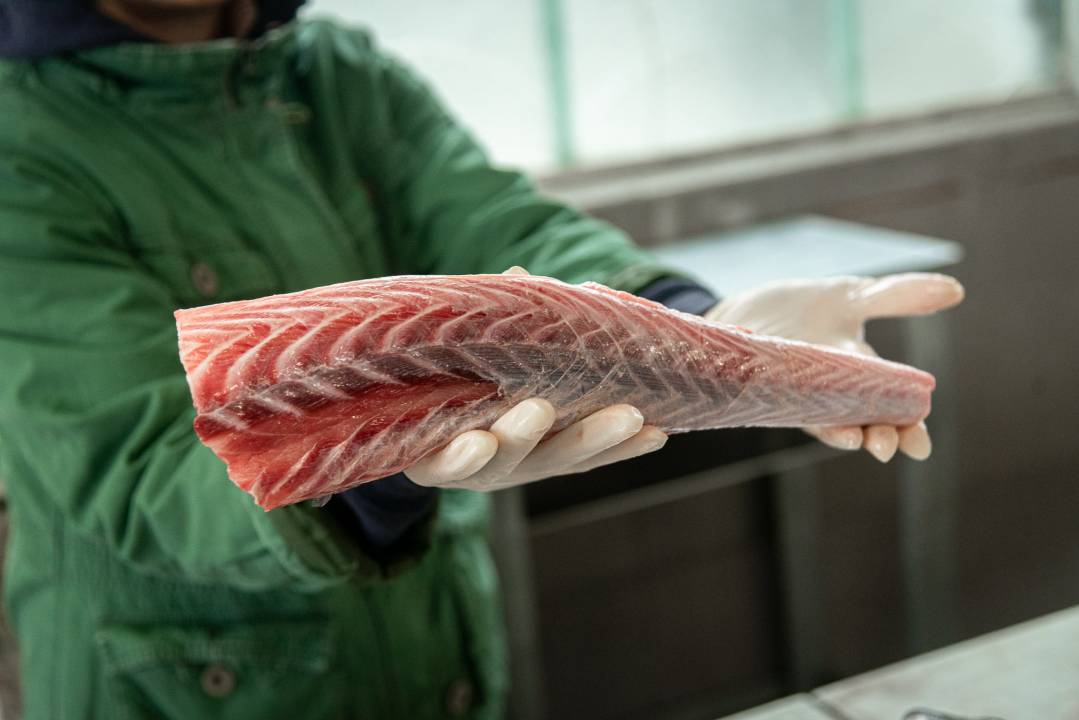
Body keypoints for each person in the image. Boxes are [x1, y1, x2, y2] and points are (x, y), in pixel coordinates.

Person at [0, 1, 963, 718]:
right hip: (174, 685)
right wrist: (366, 474)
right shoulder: (19, 141)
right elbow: (143, 470)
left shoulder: (331, 70)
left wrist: (711, 324)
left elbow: (508, 229)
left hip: (434, 656)